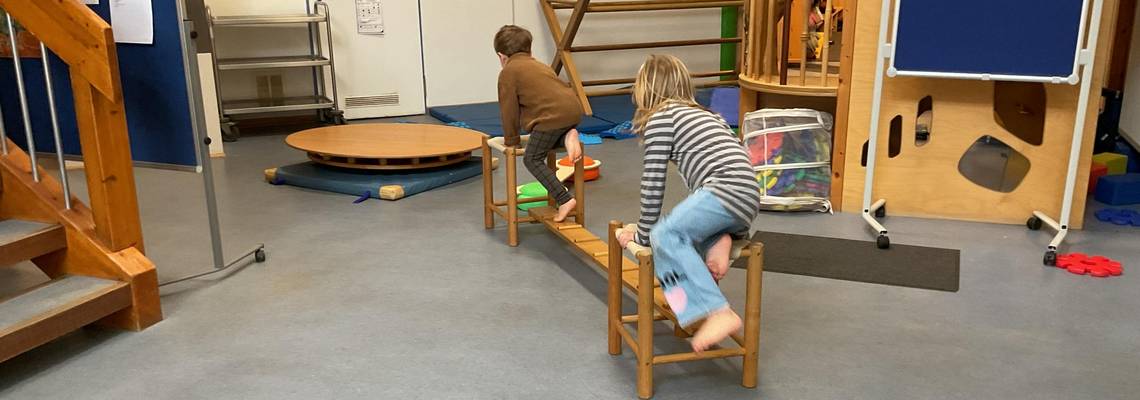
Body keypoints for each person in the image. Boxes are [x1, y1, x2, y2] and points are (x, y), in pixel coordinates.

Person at [617, 55, 761, 353]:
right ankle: (721, 238)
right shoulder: (708, 115)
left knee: (665, 235)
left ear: (646, 90)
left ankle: (718, 311)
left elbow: (652, 184)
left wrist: (643, 235)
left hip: (723, 190)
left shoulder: (661, 118)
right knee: (684, 228)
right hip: (747, 195)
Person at [494, 25, 583, 222]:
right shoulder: (541, 65)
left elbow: (508, 110)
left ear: (501, 57)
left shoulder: (508, 72)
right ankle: (568, 134)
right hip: (573, 110)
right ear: (529, 50)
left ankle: (564, 199)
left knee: (532, 158)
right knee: (549, 135)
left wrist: (512, 141)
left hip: (550, 119)